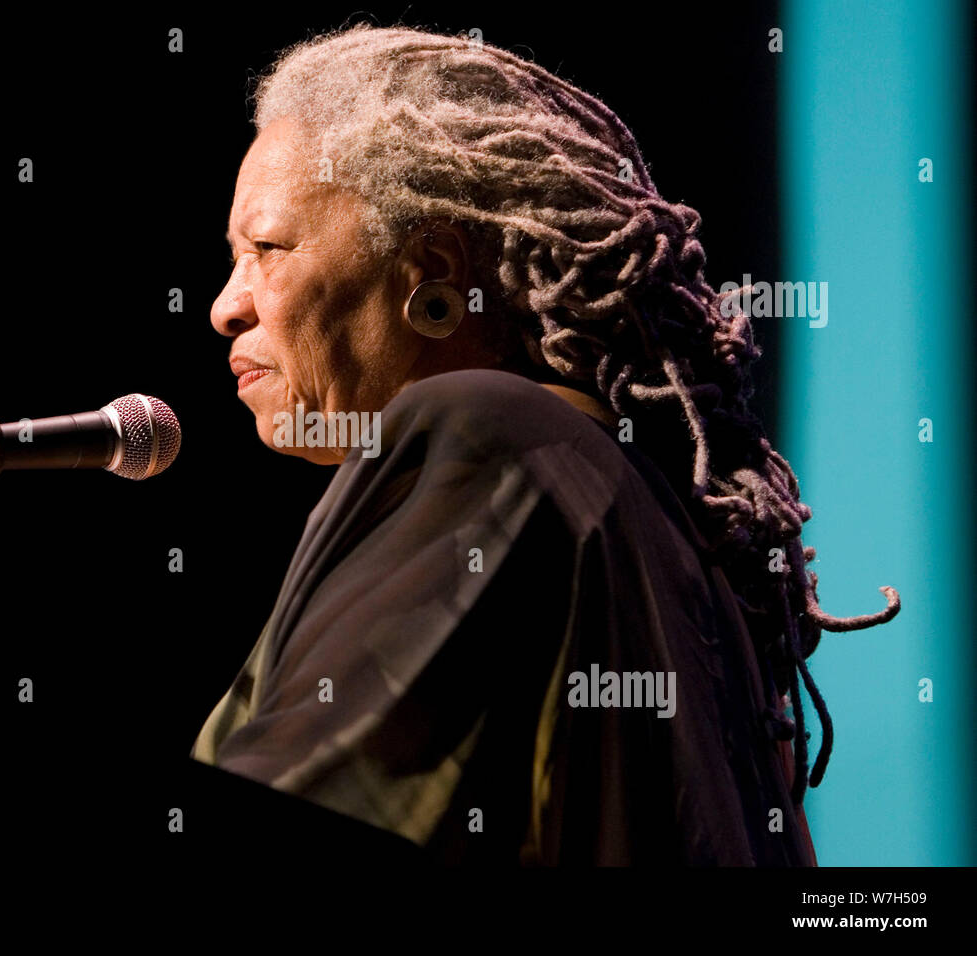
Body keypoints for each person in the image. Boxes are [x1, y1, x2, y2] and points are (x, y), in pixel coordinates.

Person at [191, 24, 900, 864]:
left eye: (266, 250)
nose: (225, 307)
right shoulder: (654, 522)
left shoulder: (487, 438)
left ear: (433, 272)